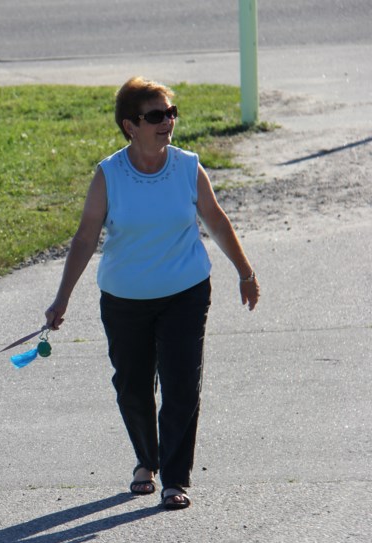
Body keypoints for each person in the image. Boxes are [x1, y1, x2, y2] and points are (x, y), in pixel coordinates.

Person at [44, 77, 260, 510]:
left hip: (186, 291)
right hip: (124, 299)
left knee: (182, 385)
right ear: (130, 125)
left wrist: (244, 271)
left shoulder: (187, 166)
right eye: (156, 116)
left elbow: (215, 221)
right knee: (132, 385)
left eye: (171, 113)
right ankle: (147, 459)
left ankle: (175, 479)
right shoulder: (109, 175)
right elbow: (86, 238)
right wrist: (62, 296)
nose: (168, 123)